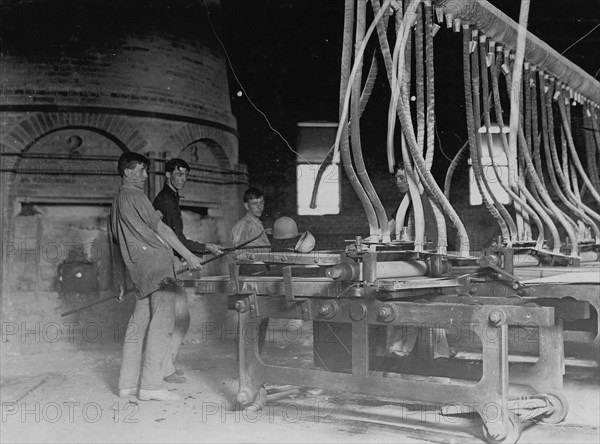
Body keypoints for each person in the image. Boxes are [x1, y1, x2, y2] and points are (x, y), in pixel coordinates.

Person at [109, 152, 203, 402]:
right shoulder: (136, 196)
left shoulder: (116, 202)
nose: (145, 175)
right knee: (161, 325)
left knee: (137, 326)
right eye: (140, 170)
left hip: (139, 273)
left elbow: (115, 245)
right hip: (159, 268)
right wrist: (189, 255)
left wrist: (120, 280)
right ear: (127, 172)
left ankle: (126, 385)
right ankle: (151, 385)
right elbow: (162, 228)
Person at [153, 158, 223, 384]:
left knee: (181, 318)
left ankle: (167, 365)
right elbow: (176, 239)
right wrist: (203, 248)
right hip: (164, 266)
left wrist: (204, 248)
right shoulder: (165, 200)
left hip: (170, 263)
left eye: (185, 175)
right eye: (179, 174)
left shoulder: (171, 198)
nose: (183, 178)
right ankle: (163, 368)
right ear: (167, 175)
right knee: (173, 319)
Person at [386, 163, 453, 358]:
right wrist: (368, 241)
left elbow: (436, 233)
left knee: (431, 308)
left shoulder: (427, 201)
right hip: (414, 264)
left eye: (402, 178)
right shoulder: (404, 204)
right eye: (396, 178)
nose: (398, 182)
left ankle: (439, 354)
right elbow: (389, 227)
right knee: (410, 308)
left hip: (430, 263)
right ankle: (408, 349)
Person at [230, 187, 271, 353]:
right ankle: (245, 364)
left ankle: (254, 363)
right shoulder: (243, 225)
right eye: (255, 204)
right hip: (250, 275)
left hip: (260, 275)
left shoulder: (257, 224)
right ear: (246, 206)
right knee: (250, 320)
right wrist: (258, 256)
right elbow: (237, 253)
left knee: (260, 319)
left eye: (261, 203)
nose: (259, 207)